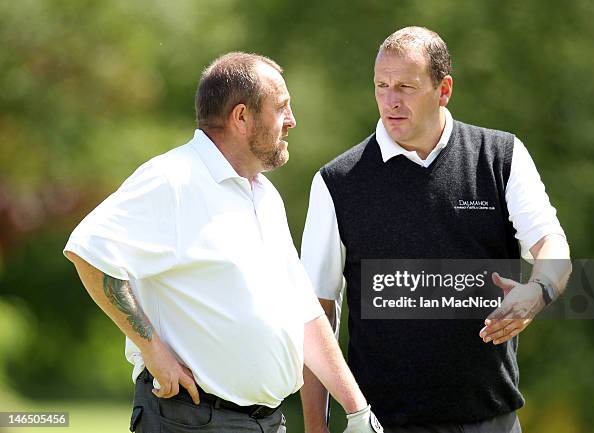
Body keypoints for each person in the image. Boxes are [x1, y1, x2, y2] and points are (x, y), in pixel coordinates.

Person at [64, 52, 383, 433]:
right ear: (242, 117)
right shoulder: (173, 178)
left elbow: (304, 313)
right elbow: (89, 251)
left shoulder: (264, 195)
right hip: (190, 421)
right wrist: (153, 351)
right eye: (281, 108)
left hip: (268, 423)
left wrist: (357, 410)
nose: (291, 121)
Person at [300, 27, 572, 433]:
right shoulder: (336, 182)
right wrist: (316, 429)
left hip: (492, 421)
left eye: (406, 87)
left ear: (443, 89)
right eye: (381, 86)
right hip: (384, 425)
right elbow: (315, 314)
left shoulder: (501, 156)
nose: (390, 100)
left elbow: (552, 243)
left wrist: (538, 291)